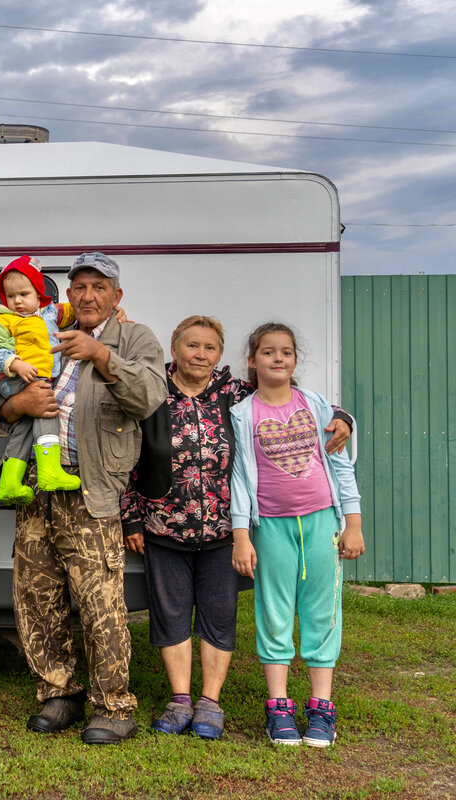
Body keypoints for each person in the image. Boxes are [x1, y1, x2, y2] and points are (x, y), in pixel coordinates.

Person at [120, 316, 352, 739]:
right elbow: (128, 454)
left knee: (219, 613)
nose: (200, 354)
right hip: (163, 526)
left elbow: (288, 397)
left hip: (226, 529)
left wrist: (344, 417)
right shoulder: (152, 392)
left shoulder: (235, 393)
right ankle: (179, 700)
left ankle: (210, 702)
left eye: (209, 348)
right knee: (170, 613)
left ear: (221, 355)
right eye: (192, 345)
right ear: (175, 349)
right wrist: (131, 516)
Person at [0, 251, 165, 745]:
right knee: (36, 597)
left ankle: (113, 706)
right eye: (80, 286)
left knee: (100, 603)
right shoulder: (40, 329)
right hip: (36, 486)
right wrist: (14, 405)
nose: (88, 295)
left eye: (100, 286)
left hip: (91, 489)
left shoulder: (135, 338)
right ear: (68, 294)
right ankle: (58, 693)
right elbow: (1, 406)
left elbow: (149, 398)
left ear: (117, 296)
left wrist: (102, 356)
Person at [230, 322, 364, 747]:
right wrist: (241, 534)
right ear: (252, 361)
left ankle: (322, 709)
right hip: (271, 526)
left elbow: (341, 463)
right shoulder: (243, 413)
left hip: (323, 521)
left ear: (294, 359)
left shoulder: (316, 404)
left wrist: (353, 522)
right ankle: (279, 707)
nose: (278, 359)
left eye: (286, 352)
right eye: (268, 352)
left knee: (322, 613)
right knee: (274, 611)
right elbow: (238, 477)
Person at [0, 255, 80, 505]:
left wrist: (115, 311)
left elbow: (76, 308)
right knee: (47, 410)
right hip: (15, 379)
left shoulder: (50, 313)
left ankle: (9, 482)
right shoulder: (2, 318)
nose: (17, 301)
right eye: (11, 296)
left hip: (33, 376)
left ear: (39, 293)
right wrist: (15, 363)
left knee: (25, 429)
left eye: (24, 294)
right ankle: (49, 470)